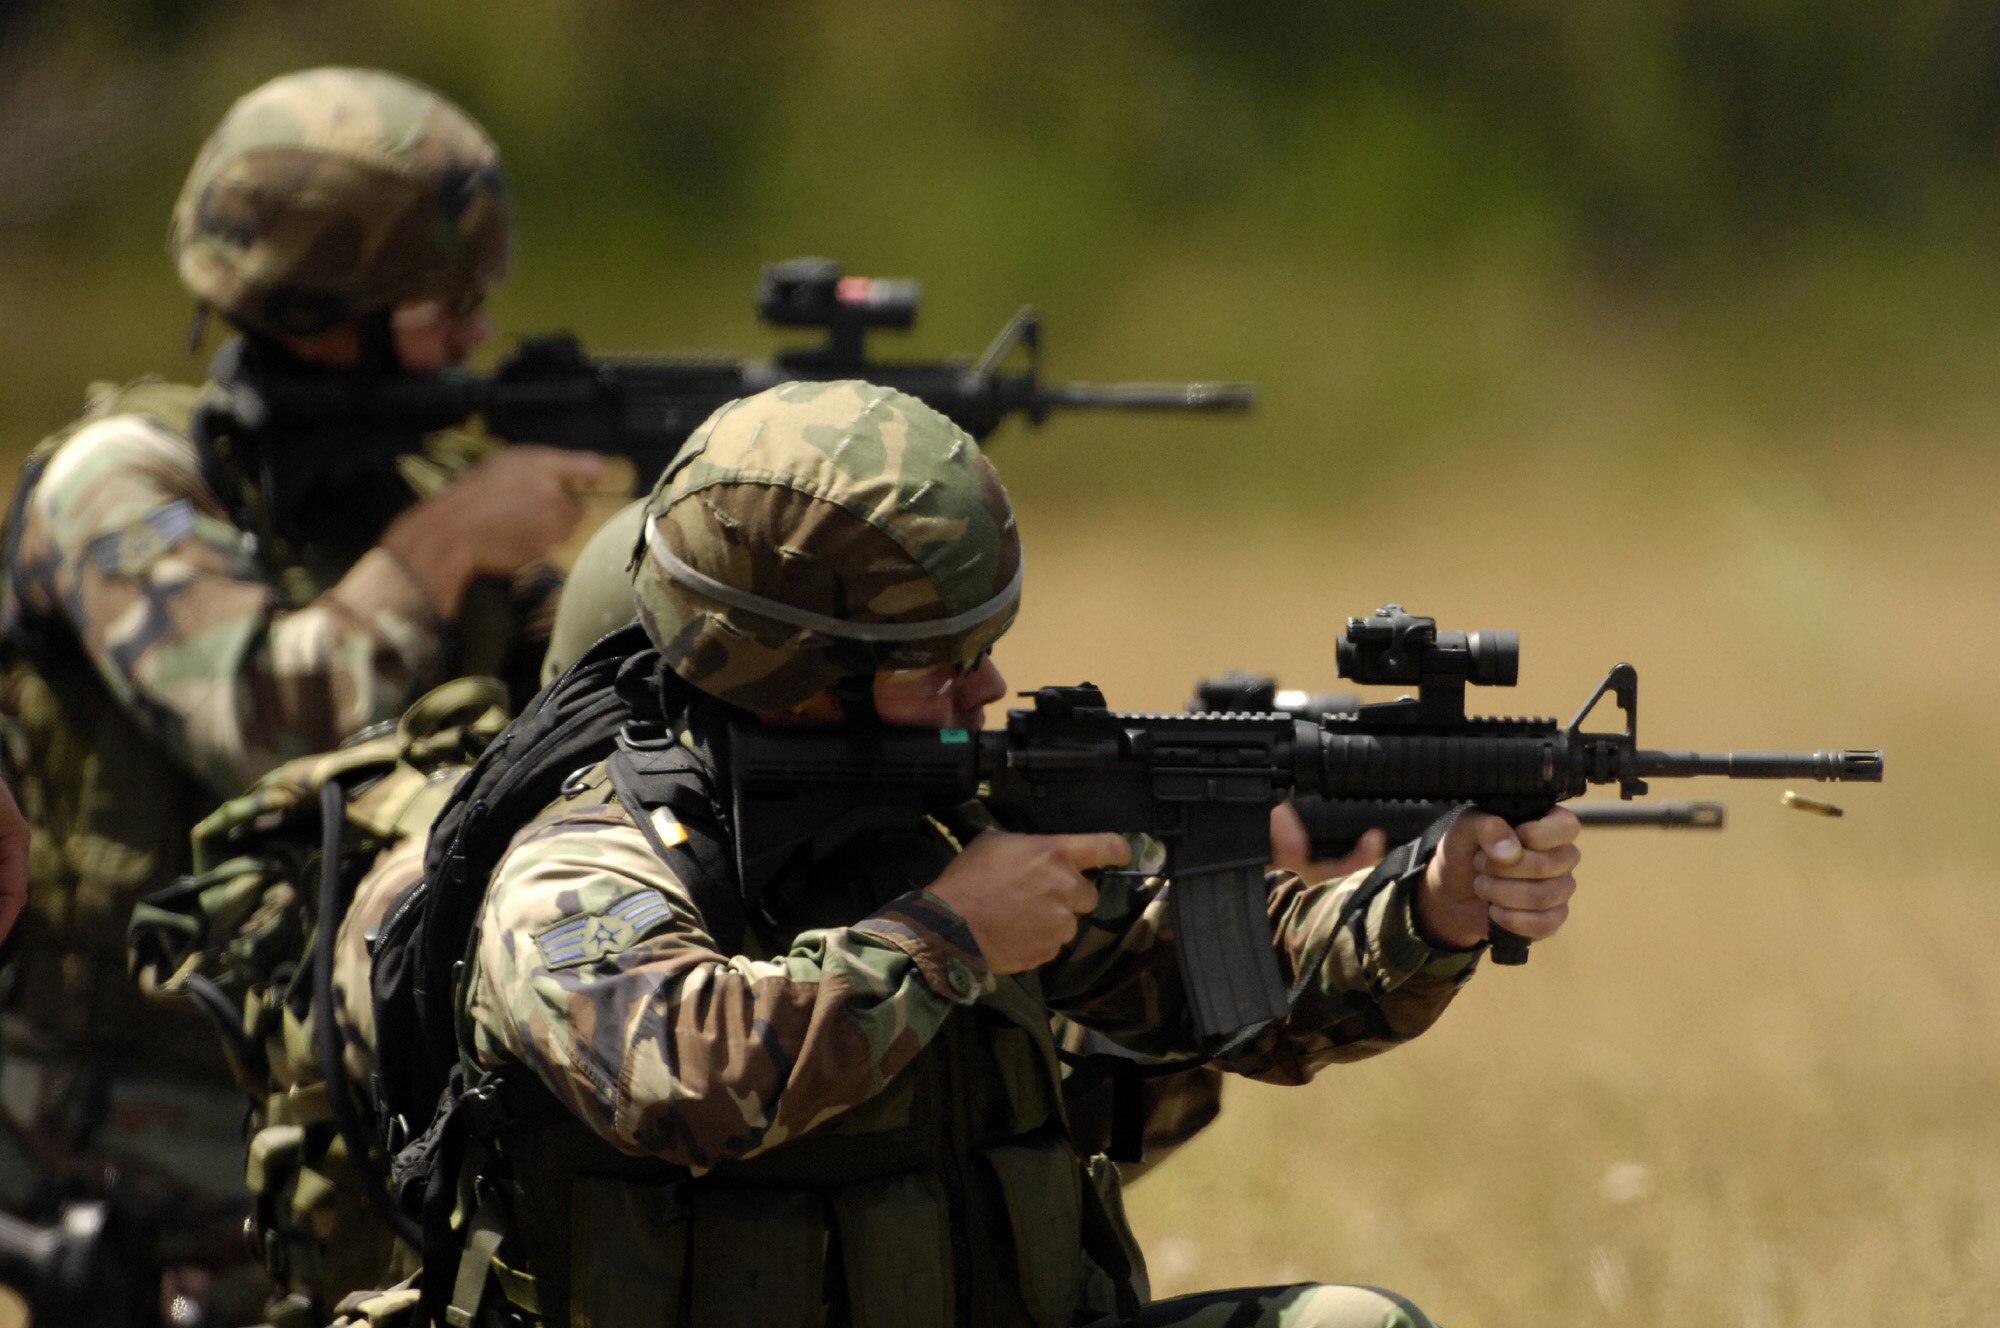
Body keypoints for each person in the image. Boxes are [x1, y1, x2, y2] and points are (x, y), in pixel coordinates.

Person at [428, 380, 1581, 1328]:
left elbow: (1230, 978)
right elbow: (680, 1076)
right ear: (793, 671)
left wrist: (1431, 903)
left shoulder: (952, 814)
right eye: (938, 660)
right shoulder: (582, 863)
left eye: (983, 647)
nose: (984, 688)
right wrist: (945, 936)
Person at [0, 66, 604, 1323]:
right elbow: (258, 723)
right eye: (447, 305)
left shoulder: (405, 486)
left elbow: (579, 721)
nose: (474, 338)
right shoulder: (120, 482)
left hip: (337, 1109)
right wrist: (443, 546)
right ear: (335, 303)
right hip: (125, 1131)